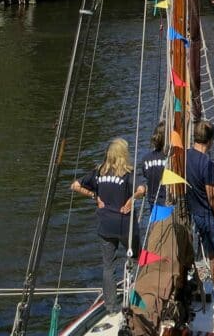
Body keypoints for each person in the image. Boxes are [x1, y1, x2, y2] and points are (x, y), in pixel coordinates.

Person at [71, 139, 144, 316]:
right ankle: (137, 300)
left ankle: (111, 307)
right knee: (136, 260)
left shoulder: (99, 172)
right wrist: (132, 198)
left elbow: (75, 185)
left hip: (105, 225)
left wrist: (94, 196)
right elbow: (142, 189)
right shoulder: (128, 173)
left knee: (108, 266)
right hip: (124, 224)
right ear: (123, 154)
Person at [185, 121, 214, 322]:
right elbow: (213, 199)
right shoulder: (207, 164)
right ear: (211, 140)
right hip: (209, 216)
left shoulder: (184, 156)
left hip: (195, 214)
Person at [140, 122, 167, 209]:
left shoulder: (146, 159)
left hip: (153, 203)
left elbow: (146, 175)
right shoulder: (171, 158)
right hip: (168, 202)